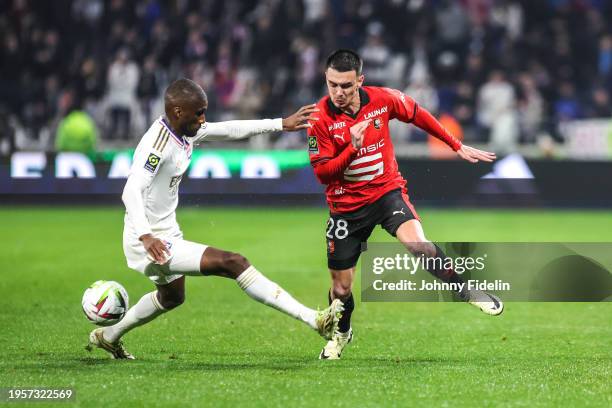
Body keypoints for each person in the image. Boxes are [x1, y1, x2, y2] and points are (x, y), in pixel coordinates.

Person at [87, 78, 344, 359]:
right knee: (234, 262)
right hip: (148, 239)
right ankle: (314, 320)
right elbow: (131, 190)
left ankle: (108, 337)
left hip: (166, 232)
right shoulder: (156, 145)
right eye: (198, 113)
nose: (203, 118)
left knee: (172, 297)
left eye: (204, 111)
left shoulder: (184, 131)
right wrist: (146, 235)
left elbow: (229, 129)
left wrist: (281, 123)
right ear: (177, 111)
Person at [306, 50, 503, 360]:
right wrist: (352, 150)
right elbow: (323, 174)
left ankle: (465, 290)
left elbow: (418, 113)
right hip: (345, 209)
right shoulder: (319, 119)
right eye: (332, 85)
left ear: (360, 80)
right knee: (341, 290)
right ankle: (341, 333)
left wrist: (455, 144)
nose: (339, 93)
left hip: (386, 193)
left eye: (346, 85)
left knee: (419, 246)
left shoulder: (382, 99)